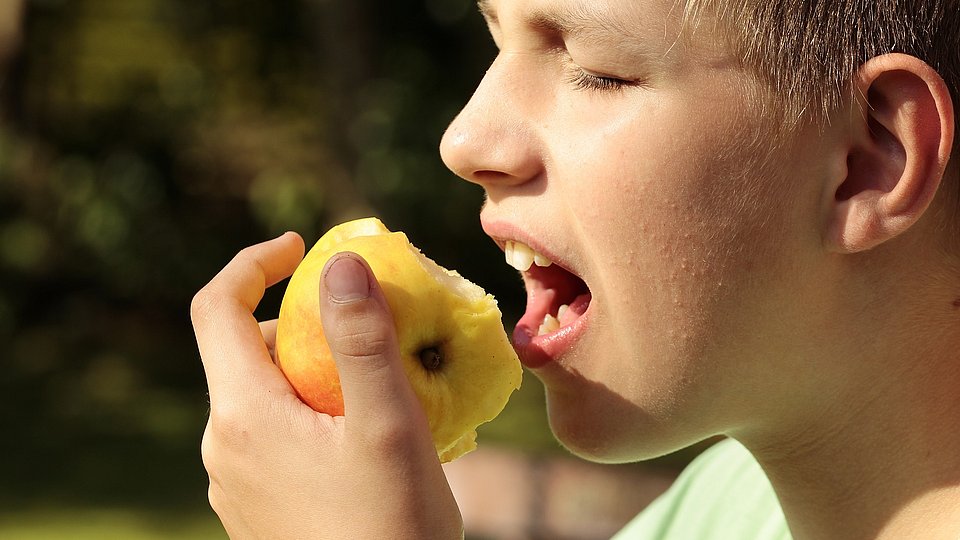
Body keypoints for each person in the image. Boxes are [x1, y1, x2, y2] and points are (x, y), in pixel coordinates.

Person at [191, 0, 960, 537]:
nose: (464, 140)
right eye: (496, 37)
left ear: (866, 160)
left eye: (595, 69)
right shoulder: (717, 513)